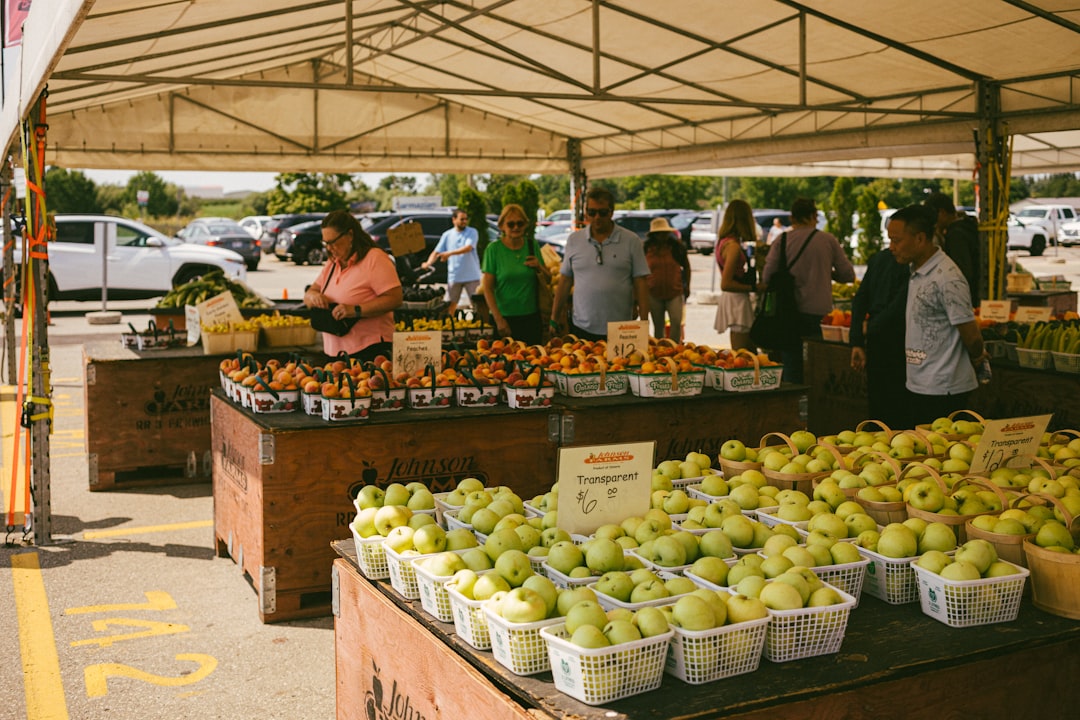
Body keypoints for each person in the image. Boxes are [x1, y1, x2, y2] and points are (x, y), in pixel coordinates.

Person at [887, 204, 987, 425]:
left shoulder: (948, 278)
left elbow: (971, 336)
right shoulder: (916, 271)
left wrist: (978, 357)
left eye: (896, 240)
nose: (891, 247)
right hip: (919, 383)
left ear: (920, 239)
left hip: (945, 389)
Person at [760, 197, 855, 383]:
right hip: (820, 311)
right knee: (820, 361)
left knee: (791, 363)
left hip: (788, 312)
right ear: (813, 216)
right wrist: (828, 272)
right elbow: (848, 275)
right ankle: (817, 403)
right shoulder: (828, 240)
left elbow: (767, 277)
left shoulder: (782, 240)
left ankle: (793, 405)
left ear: (792, 217)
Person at [550, 187, 650, 341]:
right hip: (581, 327)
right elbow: (565, 281)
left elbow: (641, 283)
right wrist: (554, 319)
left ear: (611, 212)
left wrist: (644, 324)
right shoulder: (574, 241)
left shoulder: (631, 241)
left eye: (602, 213)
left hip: (621, 328)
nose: (597, 217)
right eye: (592, 212)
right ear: (586, 212)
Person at [303, 210, 403, 362]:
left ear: (350, 235)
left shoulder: (375, 258)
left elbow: (395, 298)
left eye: (333, 242)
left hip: (369, 352)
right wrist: (313, 296)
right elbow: (312, 291)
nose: (329, 248)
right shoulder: (333, 263)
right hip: (335, 353)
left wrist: (356, 310)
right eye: (325, 243)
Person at [850, 245, 911, 430]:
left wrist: (858, 340)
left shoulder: (879, 258)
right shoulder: (910, 265)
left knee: (880, 409)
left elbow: (860, 299)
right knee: (897, 410)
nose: (893, 245)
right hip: (899, 343)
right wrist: (859, 339)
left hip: (878, 342)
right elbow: (897, 308)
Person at [481, 203, 549, 345]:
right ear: (502, 226)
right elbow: (487, 288)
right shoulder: (493, 250)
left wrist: (538, 266)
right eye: (511, 224)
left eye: (520, 223)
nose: (516, 228)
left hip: (531, 318)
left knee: (533, 363)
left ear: (525, 225)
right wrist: (499, 320)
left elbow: (548, 278)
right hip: (504, 319)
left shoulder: (532, 246)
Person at [713, 199, 760, 351]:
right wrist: (754, 287)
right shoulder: (732, 246)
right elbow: (726, 283)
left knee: (746, 348)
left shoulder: (724, 241)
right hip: (736, 300)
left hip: (735, 298)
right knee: (742, 351)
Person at [924, 192, 980, 306]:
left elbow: (963, 271)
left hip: (964, 300)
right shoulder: (967, 227)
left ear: (942, 213)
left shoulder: (956, 235)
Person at [421, 208, 481, 314]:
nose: (464, 222)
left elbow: (468, 248)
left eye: (466, 219)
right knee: (448, 306)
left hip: (472, 276)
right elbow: (436, 252)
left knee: (478, 306)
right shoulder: (447, 235)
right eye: (462, 219)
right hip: (455, 276)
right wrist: (428, 263)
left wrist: (449, 253)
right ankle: (448, 326)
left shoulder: (472, 232)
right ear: (454, 219)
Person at [643, 217, 691, 342]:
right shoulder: (646, 249)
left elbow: (686, 266)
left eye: (663, 233)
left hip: (675, 291)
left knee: (676, 322)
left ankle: (674, 348)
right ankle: (660, 352)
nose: (661, 236)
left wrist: (687, 286)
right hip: (653, 292)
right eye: (658, 234)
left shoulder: (676, 247)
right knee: (658, 327)